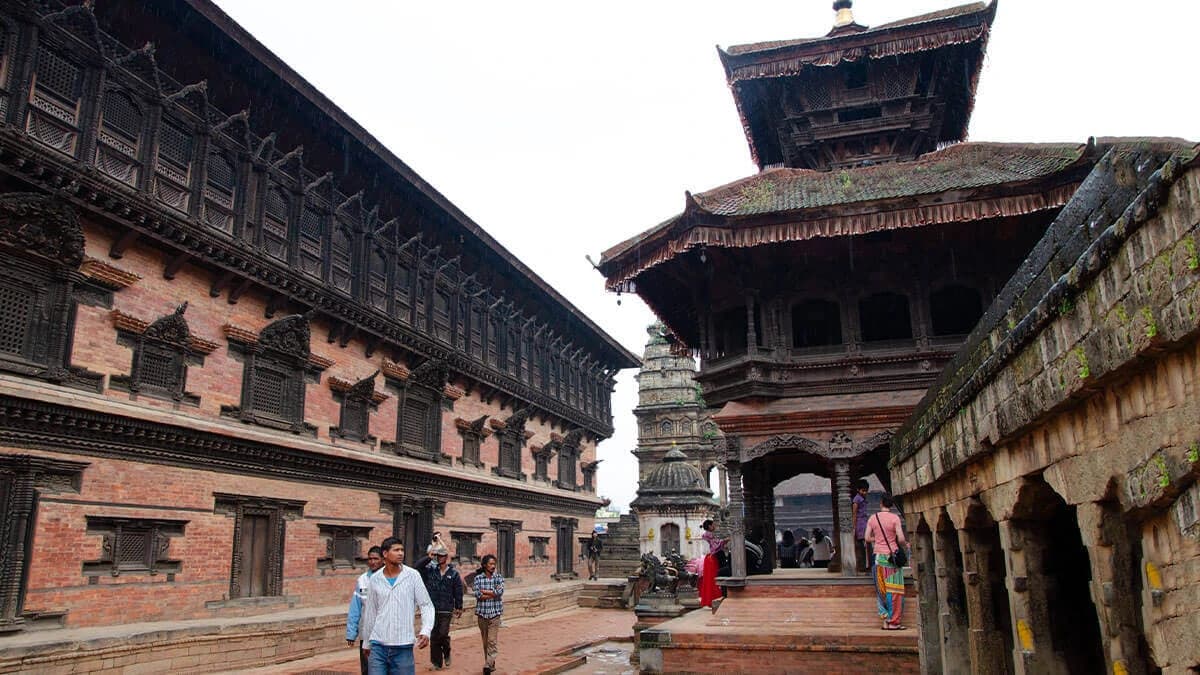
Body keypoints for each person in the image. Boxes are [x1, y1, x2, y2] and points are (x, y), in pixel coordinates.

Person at [360, 537, 435, 675]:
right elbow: (370, 612)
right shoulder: (375, 579)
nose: (401, 553)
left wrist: (426, 630)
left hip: (403, 646)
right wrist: (366, 642)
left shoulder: (413, 576)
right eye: (396, 550)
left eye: (402, 550)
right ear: (385, 554)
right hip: (378, 645)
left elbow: (426, 605)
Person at [413, 541, 463, 671]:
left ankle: (446, 652)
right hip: (432, 608)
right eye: (437, 556)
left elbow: (458, 591)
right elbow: (417, 567)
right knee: (434, 636)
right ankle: (436, 662)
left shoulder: (453, 574)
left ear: (446, 557)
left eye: (441, 556)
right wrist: (429, 557)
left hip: (446, 608)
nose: (439, 558)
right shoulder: (430, 571)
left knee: (442, 634)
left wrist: (459, 606)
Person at [864, 495, 908, 630]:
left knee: (882, 590)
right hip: (892, 558)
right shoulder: (895, 518)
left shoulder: (873, 518)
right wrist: (901, 543)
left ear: (881, 503)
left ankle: (885, 619)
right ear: (891, 505)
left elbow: (866, 538)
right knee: (895, 590)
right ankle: (894, 621)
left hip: (879, 558)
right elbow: (900, 538)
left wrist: (877, 540)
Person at [345, 546, 385, 675]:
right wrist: (351, 632)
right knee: (367, 669)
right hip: (366, 632)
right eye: (370, 559)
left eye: (376, 559)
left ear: (383, 560)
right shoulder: (362, 580)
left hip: (385, 633)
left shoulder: (389, 578)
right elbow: (355, 608)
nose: (372, 562)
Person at [473, 554, 505, 675]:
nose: (493, 566)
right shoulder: (478, 578)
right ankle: (490, 661)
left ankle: (487, 664)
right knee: (485, 641)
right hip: (482, 614)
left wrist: (485, 592)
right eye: (490, 564)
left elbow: (500, 592)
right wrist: (492, 593)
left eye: (494, 564)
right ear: (485, 565)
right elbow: (477, 594)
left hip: (495, 614)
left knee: (492, 640)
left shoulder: (498, 578)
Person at [698, 519, 727, 608]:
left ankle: (713, 598)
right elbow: (716, 546)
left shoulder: (707, 534)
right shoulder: (708, 535)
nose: (714, 526)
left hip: (710, 557)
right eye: (713, 525)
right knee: (714, 577)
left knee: (711, 578)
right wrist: (725, 541)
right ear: (710, 526)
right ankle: (716, 597)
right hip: (712, 557)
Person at [851, 479, 871, 574]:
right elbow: (854, 514)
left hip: (865, 522)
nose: (865, 492)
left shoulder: (863, 498)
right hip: (860, 524)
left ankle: (868, 565)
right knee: (861, 546)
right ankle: (862, 566)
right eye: (863, 490)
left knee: (866, 546)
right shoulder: (856, 499)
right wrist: (854, 527)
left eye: (866, 490)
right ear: (858, 490)